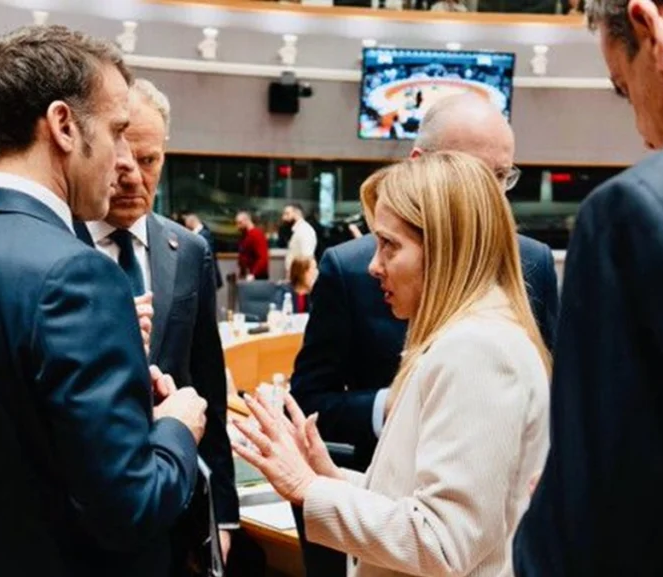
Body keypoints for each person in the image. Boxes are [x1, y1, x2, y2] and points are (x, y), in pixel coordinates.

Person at [0, 26, 208, 577]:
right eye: (116, 132)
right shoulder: (80, 275)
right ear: (63, 125)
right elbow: (129, 507)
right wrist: (176, 427)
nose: (123, 160)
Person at [514, 1, 663, 575]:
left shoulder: (648, 210)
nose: (643, 136)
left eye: (625, 90)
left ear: (652, 29)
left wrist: (557, 511)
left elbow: (587, 551)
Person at [234, 152, 551, 577]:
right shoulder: (469, 338)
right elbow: (417, 501)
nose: (373, 265)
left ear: (443, 248)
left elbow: (443, 542)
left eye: (390, 245)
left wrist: (308, 488)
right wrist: (329, 479)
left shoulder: (478, 349)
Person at [77, 78, 239, 573]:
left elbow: (206, 385)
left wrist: (222, 515)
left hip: (175, 507)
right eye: (121, 160)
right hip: (87, 507)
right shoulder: (59, 246)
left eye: (149, 161)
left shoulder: (187, 249)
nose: (133, 178)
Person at [183, 212, 224, 289]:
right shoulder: (203, 233)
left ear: (190, 222)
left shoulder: (203, 235)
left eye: (186, 223)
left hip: (206, 277)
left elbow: (208, 257)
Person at [281, 203, 318, 276]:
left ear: (297, 213)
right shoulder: (298, 231)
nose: (284, 218)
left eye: (287, 214)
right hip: (296, 277)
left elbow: (306, 259)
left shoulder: (305, 231)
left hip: (301, 278)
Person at [236, 210, 269, 280]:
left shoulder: (257, 234)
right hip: (248, 275)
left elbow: (263, 258)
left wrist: (253, 274)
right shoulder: (244, 236)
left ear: (246, 220)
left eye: (240, 223)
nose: (238, 226)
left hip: (256, 276)